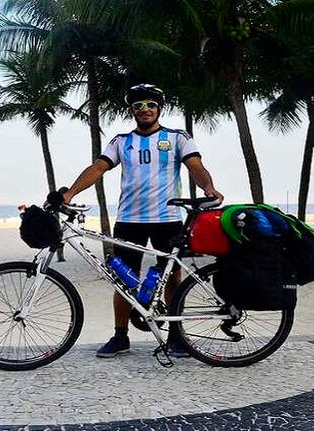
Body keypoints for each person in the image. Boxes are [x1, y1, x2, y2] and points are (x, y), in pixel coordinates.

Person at [59, 84, 224, 359]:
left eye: (150, 104)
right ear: (131, 111)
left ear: (159, 109)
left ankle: (177, 337)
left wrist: (208, 187)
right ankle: (120, 336)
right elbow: (98, 168)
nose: (144, 109)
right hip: (129, 219)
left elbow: (195, 166)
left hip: (167, 218)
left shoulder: (177, 137)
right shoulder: (121, 141)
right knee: (123, 279)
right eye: (138, 106)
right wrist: (70, 192)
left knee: (172, 277)